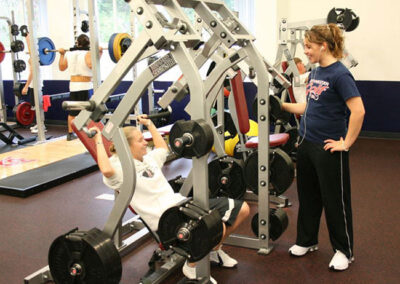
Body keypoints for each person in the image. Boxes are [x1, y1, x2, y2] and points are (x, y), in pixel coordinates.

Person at [91, 115, 250, 283]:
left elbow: (162, 148)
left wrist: (150, 124)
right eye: (140, 140)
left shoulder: (148, 159)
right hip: (165, 219)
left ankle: (211, 251)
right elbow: (106, 170)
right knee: (215, 228)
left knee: (243, 209)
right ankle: (193, 264)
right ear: (126, 147)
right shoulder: (120, 168)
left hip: (180, 205)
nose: (145, 142)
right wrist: (98, 140)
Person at [282, 23, 365, 271]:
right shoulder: (316, 73)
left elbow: (358, 111)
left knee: (335, 201)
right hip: (307, 143)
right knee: (308, 198)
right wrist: (280, 106)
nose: (306, 51)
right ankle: (307, 241)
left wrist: (346, 143)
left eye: (309, 47)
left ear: (323, 46)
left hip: (329, 147)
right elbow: (307, 107)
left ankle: (343, 250)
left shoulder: (340, 75)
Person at [59, 34, 102, 141]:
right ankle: (89, 134)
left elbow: (62, 67)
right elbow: (92, 65)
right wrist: (99, 54)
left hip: (73, 86)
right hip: (85, 86)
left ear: (77, 43)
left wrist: (61, 55)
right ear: (88, 44)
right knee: (88, 111)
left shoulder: (69, 54)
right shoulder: (87, 53)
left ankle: (70, 134)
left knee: (72, 112)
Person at [21, 33, 47, 134]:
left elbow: (32, 73)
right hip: (36, 84)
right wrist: (27, 36)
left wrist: (26, 87)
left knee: (37, 106)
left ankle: (41, 125)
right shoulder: (35, 56)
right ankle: (39, 124)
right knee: (36, 106)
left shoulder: (34, 58)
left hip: (35, 85)